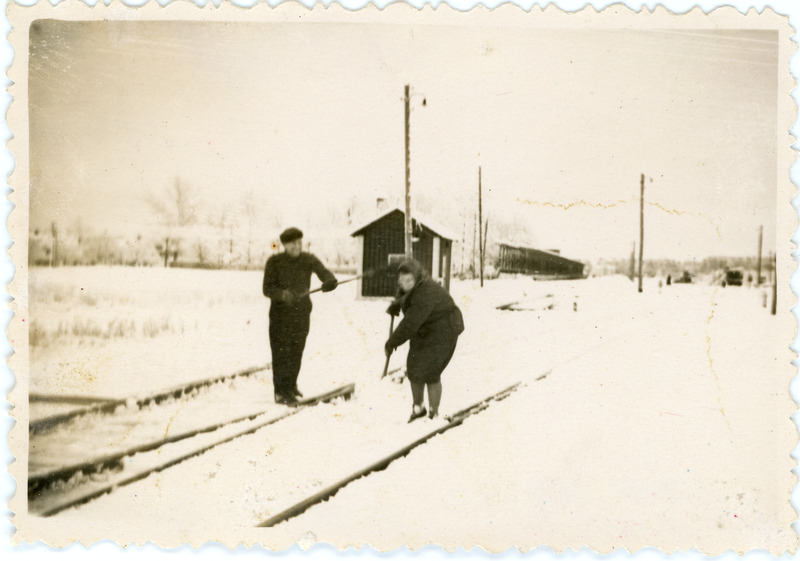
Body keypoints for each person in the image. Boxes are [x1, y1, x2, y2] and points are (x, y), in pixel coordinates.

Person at [262, 227, 338, 404]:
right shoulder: (274, 262)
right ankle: (280, 391)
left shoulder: (308, 259)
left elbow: (324, 272)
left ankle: (291, 386)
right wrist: (282, 294)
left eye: (299, 243)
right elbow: (267, 288)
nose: (297, 246)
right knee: (281, 352)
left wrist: (330, 281)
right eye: (293, 243)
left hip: (301, 314)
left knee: (296, 351)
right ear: (285, 245)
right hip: (280, 316)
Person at [385, 259, 464, 422]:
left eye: (408, 280)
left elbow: (411, 322)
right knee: (414, 367)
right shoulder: (413, 287)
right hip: (426, 328)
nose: (404, 284)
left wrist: (392, 341)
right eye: (402, 280)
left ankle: (434, 413)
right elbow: (405, 295)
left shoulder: (426, 291)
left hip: (445, 329)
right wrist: (397, 303)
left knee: (431, 370)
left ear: (416, 277)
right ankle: (418, 408)